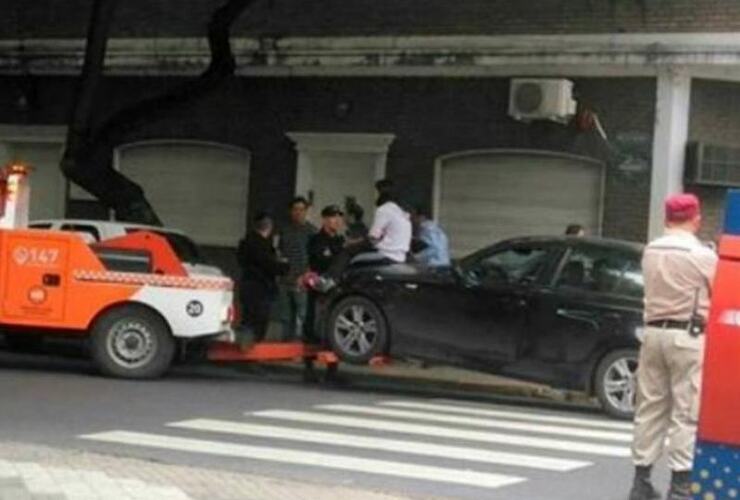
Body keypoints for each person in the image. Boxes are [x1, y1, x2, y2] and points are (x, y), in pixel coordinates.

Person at [629, 193, 718, 500]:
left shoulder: (650, 251)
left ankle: (640, 481)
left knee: (650, 406)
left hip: (652, 334)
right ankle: (679, 487)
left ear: (667, 218)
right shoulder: (702, 255)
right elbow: (718, 291)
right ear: (695, 219)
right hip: (688, 336)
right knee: (685, 410)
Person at [316, 179, 412, 288]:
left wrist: (352, 243)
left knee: (347, 252)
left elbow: (373, 238)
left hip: (386, 254)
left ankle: (329, 280)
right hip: (400, 255)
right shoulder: (401, 212)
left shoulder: (384, 210)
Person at [237, 213, 289, 344]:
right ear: (269, 227)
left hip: (247, 284)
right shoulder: (263, 245)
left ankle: (244, 345)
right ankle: (252, 349)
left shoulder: (245, 242)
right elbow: (270, 265)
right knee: (259, 320)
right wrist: (284, 265)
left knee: (248, 318)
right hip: (262, 287)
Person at [276, 197, 317, 341]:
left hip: (303, 280)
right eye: (295, 209)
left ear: (306, 211)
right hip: (285, 277)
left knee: (302, 315)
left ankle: (301, 346)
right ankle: (285, 346)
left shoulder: (312, 232)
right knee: (286, 316)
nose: (298, 213)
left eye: (301, 209)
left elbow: (315, 257)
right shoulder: (284, 230)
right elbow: (279, 250)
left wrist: (307, 275)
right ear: (291, 211)